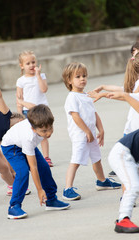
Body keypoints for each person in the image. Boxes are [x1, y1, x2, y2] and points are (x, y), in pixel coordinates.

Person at [61, 62, 121, 201]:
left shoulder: (86, 95)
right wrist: (87, 131)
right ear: (69, 80)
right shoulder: (72, 97)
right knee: (76, 161)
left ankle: (101, 181)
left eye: (84, 76)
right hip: (80, 135)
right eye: (78, 76)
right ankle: (67, 188)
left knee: (97, 158)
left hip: (91, 134)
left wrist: (101, 130)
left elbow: (94, 113)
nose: (82, 79)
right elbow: (75, 116)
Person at [1, 104, 70, 219]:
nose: (48, 133)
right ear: (34, 128)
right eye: (44, 131)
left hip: (25, 144)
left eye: (50, 128)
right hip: (11, 147)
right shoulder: (29, 137)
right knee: (23, 172)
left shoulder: (38, 125)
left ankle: (51, 200)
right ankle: (14, 207)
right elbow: (33, 168)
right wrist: (39, 190)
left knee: (44, 167)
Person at [90, 52, 139, 177]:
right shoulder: (137, 85)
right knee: (131, 170)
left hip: (131, 130)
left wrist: (103, 89)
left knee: (131, 170)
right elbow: (125, 94)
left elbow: (124, 93)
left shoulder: (136, 84)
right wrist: (104, 92)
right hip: (134, 131)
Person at [16, 50, 53, 167]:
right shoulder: (21, 80)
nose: (31, 65)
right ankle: (30, 157)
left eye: (33, 62)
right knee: (30, 135)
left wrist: (38, 76)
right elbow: (19, 99)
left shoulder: (41, 76)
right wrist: (20, 114)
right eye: (28, 63)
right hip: (28, 112)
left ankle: (46, 157)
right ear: (22, 66)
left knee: (44, 134)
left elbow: (44, 89)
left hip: (42, 110)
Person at [108, 129, 139, 233]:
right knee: (133, 186)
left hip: (132, 157)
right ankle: (123, 220)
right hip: (121, 154)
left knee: (133, 186)